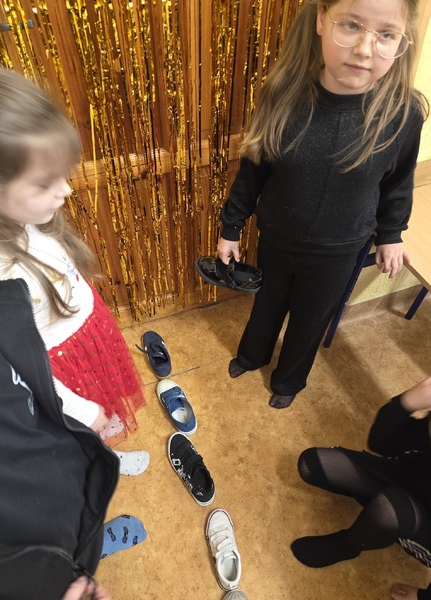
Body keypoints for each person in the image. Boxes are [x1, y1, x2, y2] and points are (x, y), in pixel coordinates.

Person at [217, 0, 428, 409]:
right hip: (278, 236)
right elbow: (253, 168)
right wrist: (231, 226)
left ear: (401, 41)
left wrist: (391, 234)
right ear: (320, 19)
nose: (364, 49)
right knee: (268, 302)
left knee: (311, 319)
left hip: (340, 249)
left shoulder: (403, 115)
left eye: (385, 34)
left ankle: (289, 380)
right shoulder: (283, 94)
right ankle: (251, 355)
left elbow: (398, 183)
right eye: (351, 25)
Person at [0, 66, 147, 463]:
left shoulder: (28, 219)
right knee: (87, 434)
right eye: (46, 182)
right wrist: (83, 412)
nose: (67, 190)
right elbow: (26, 369)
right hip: (65, 377)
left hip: (90, 342)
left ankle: (105, 454)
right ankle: (99, 463)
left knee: (109, 415)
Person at [0, 264, 118, 599]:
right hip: (31, 561)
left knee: (83, 533)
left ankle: (87, 550)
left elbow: (27, 370)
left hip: (63, 482)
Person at [290, 376, 431, 599]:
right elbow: (381, 444)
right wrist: (407, 402)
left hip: (426, 523)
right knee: (311, 465)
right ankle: (377, 510)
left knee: (388, 509)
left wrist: (422, 597)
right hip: (409, 476)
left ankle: (349, 544)